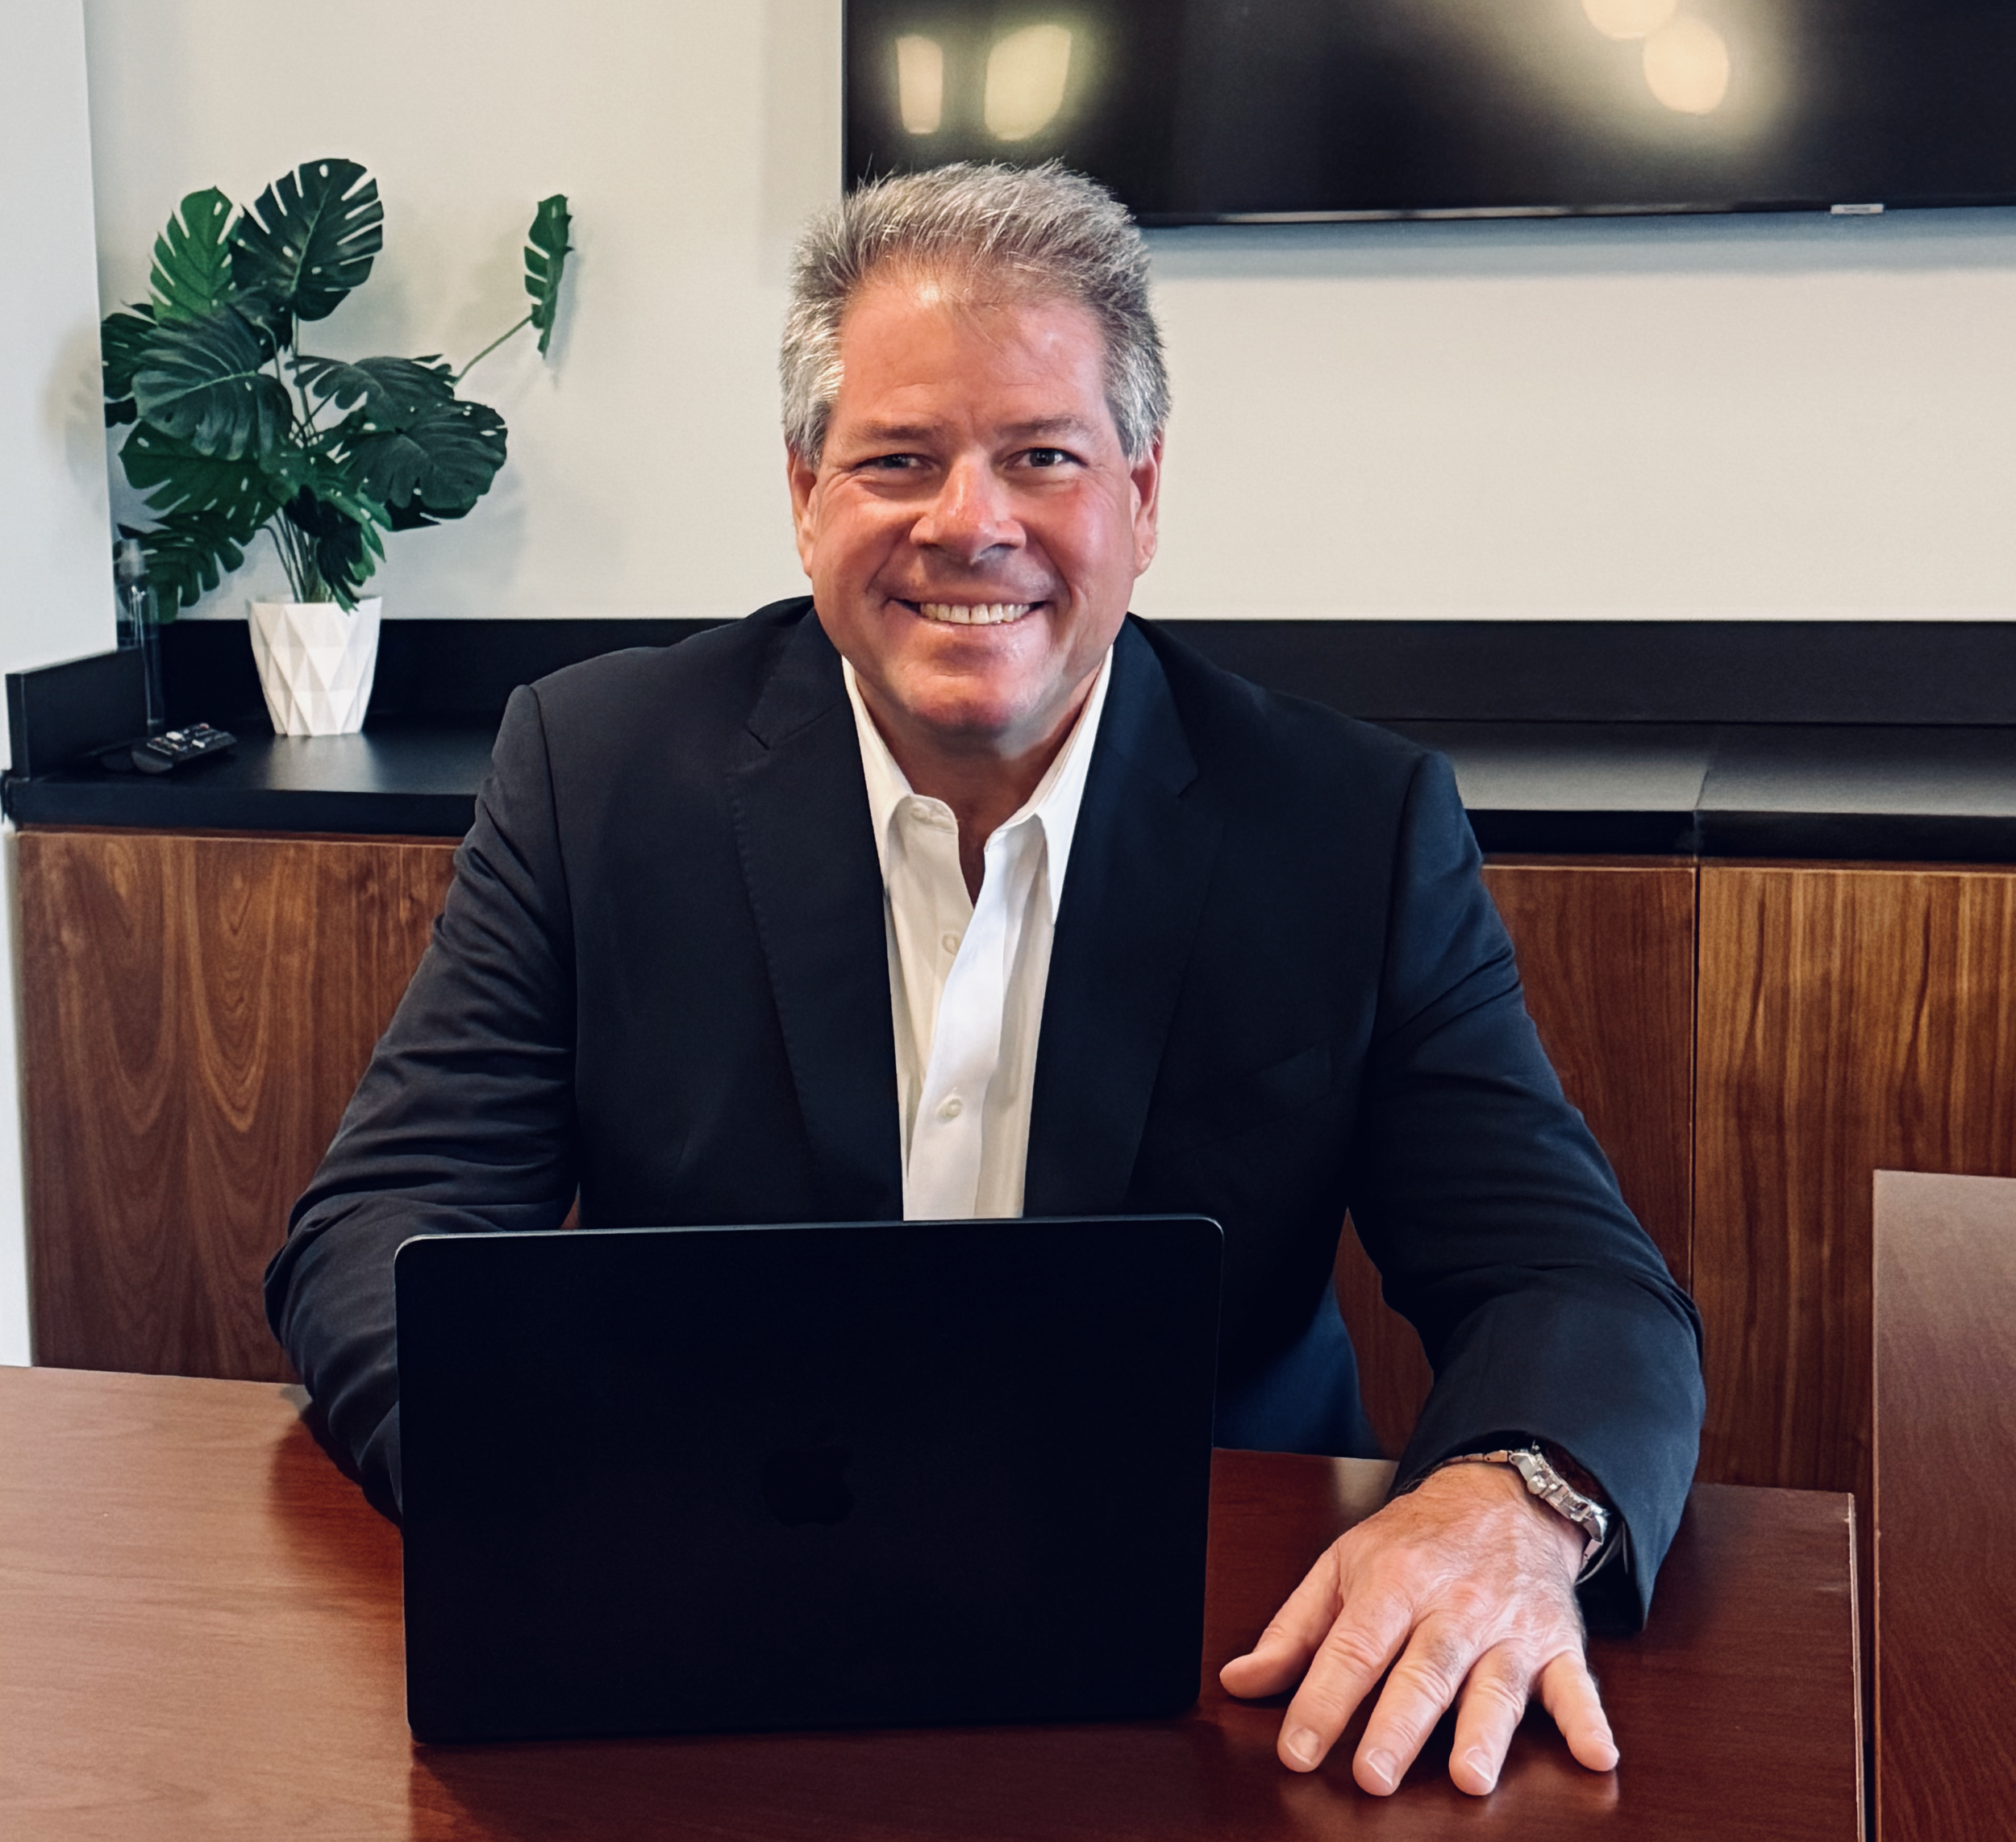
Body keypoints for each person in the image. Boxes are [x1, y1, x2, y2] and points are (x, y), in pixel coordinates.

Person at [265, 161, 1703, 1799]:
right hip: (702, 1647)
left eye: (1043, 456)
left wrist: (1503, 1502)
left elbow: (1570, 1280)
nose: (972, 521)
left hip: (1207, 1661)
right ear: (805, 492)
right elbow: (379, 1224)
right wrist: (580, 1479)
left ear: (1141, 498)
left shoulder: (1345, 826)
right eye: (897, 458)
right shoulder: (594, 771)